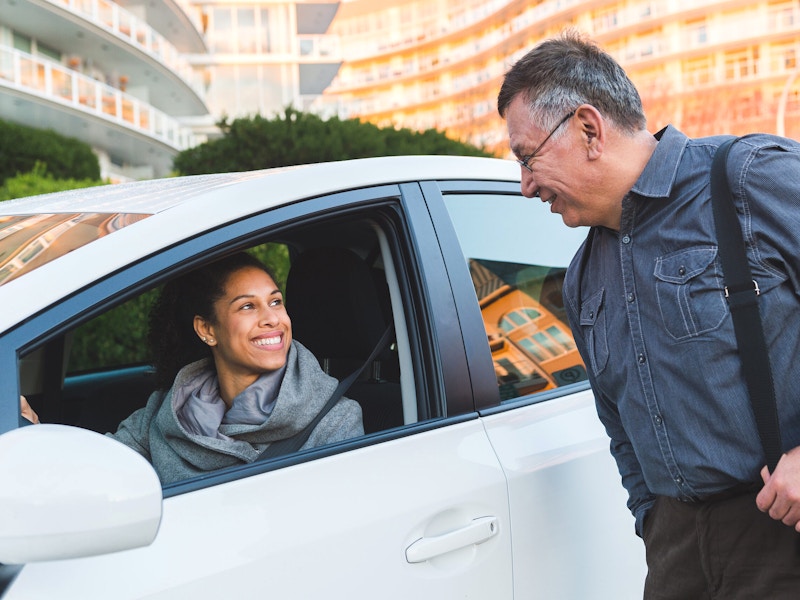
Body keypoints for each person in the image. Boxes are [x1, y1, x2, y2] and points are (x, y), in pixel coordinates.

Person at [498, 29, 800, 598]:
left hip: (780, 535)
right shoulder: (583, 277)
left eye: (527, 158)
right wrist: (651, 520)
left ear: (588, 129)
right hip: (676, 551)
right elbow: (619, 425)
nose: (525, 185)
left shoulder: (750, 179)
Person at [21, 252, 364, 484]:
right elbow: (94, 472)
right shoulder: (166, 410)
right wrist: (36, 438)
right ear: (207, 330)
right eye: (248, 306)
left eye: (276, 301)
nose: (272, 318)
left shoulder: (335, 421)